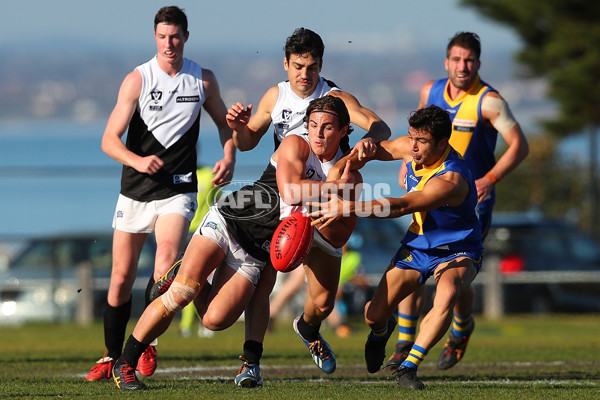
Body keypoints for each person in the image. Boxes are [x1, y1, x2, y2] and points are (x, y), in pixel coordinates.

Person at [111, 95, 360, 390]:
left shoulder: (351, 177)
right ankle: (124, 363)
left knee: (215, 321)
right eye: (313, 125)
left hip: (258, 252)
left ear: (343, 130)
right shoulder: (296, 144)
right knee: (181, 293)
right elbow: (291, 193)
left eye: (327, 127)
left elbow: (342, 234)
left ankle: (187, 274)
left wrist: (338, 212)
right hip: (231, 220)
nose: (318, 133)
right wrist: (332, 190)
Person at [226, 27, 390, 386]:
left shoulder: (336, 98)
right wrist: (238, 129)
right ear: (286, 64)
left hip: (329, 206)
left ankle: (308, 327)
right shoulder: (276, 95)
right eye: (298, 66)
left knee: (324, 302)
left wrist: (367, 144)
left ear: (320, 66)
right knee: (266, 278)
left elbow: (380, 126)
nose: (304, 74)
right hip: (287, 201)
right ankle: (250, 363)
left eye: (312, 67)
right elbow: (248, 141)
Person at [85, 6, 235, 381]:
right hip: (135, 191)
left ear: (186, 36)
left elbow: (224, 125)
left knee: (166, 263)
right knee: (120, 277)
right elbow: (108, 139)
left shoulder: (203, 80)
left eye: (176, 36)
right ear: (155, 38)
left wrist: (229, 155)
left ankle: (146, 344)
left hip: (178, 190)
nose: (169, 43)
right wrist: (137, 161)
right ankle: (109, 355)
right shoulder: (137, 79)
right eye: (163, 37)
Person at [310, 105, 483, 390]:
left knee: (448, 291)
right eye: (412, 137)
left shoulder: (452, 180)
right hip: (418, 244)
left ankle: (408, 367)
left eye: (422, 141)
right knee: (373, 315)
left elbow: (402, 205)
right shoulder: (411, 146)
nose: (413, 146)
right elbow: (369, 153)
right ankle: (381, 331)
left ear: (442, 143)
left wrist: (348, 207)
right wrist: (354, 158)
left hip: (458, 249)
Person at [386, 31, 529, 372]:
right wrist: (409, 161)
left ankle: (461, 328)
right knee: (413, 262)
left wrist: (489, 179)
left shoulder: (488, 100)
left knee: (454, 279)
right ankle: (404, 342)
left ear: (478, 63)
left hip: (471, 205)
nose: (462, 66)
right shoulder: (430, 91)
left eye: (469, 60)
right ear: (446, 62)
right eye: (456, 59)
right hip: (430, 194)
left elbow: (519, 145)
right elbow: (417, 135)